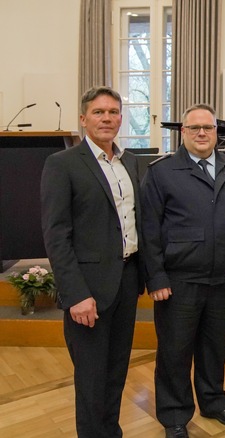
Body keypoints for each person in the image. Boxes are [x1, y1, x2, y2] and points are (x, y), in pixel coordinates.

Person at [141, 104, 225, 438]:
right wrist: (156, 276)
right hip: (178, 282)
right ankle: (175, 415)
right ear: (183, 132)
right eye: (194, 128)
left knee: (214, 348)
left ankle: (213, 401)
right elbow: (148, 229)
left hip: (224, 280)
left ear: (216, 132)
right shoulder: (163, 172)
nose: (201, 134)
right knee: (175, 351)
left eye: (207, 128)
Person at [40, 86, 144, 438]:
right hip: (89, 290)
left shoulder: (129, 161)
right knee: (90, 377)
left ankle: (110, 432)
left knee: (116, 371)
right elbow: (56, 236)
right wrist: (75, 294)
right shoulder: (62, 164)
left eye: (113, 112)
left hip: (127, 281)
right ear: (83, 119)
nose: (107, 118)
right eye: (99, 112)